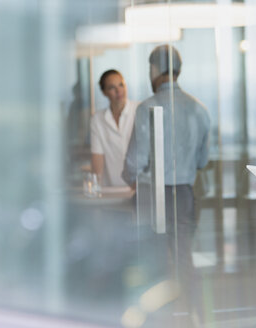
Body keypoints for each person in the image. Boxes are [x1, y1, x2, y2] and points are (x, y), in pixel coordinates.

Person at [123, 44, 210, 324]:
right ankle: (196, 316)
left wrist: (126, 177)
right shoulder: (199, 109)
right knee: (184, 259)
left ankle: (160, 319)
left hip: (153, 194)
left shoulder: (146, 108)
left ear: (154, 71)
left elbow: (136, 160)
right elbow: (203, 160)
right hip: (185, 193)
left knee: (154, 262)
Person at [90, 69, 140, 187]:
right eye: (112, 87)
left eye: (121, 85)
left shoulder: (139, 110)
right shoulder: (97, 119)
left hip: (138, 188)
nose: (119, 91)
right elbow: (97, 158)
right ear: (104, 92)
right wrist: (95, 188)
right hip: (111, 189)